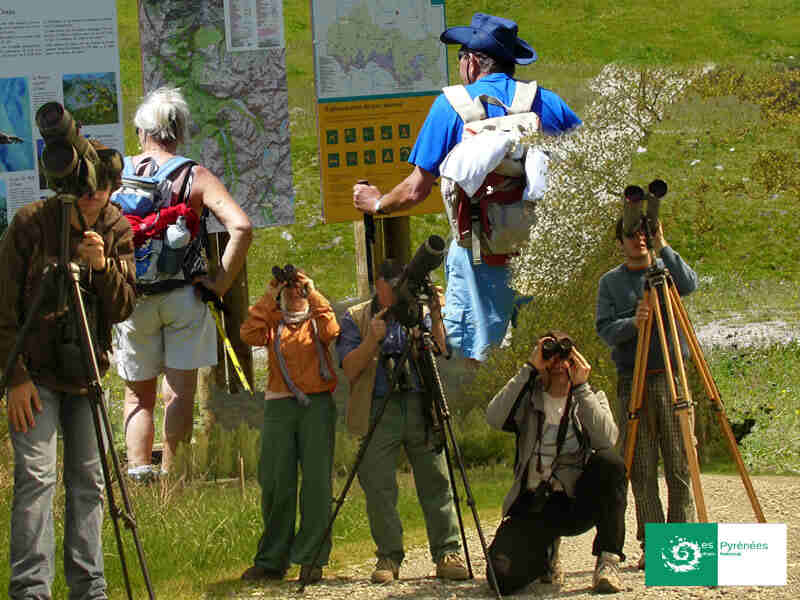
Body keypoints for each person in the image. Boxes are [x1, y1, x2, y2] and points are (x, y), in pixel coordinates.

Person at [352, 13, 581, 366]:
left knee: (472, 363)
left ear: (472, 62)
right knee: (548, 357)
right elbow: (587, 166)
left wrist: (378, 202)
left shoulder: (451, 106)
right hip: (541, 255)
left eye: (460, 56)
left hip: (478, 257)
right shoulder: (548, 103)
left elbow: (416, 190)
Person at [0, 146, 136, 599]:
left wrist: (101, 268)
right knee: (36, 480)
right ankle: (30, 591)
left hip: (87, 372)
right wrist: (14, 377)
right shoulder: (31, 224)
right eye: (84, 190)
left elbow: (122, 307)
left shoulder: (117, 227)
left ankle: (89, 588)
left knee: (90, 481)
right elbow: (2, 308)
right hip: (34, 373)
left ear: (112, 190)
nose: (91, 198)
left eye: (101, 192)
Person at [113, 87, 253, 478]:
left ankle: (139, 476)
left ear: (143, 131)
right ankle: (173, 485)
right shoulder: (194, 175)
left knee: (138, 396)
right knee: (178, 394)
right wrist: (220, 282)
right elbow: (240, 226)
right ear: (179, 131)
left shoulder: (119, 173)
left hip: (133, 298)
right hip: (183, 297)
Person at [335, 260, 469, 584]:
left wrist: (435, 314)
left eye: (401, 284)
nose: (396, 291)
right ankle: (388, 556)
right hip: (378, 406)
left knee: (436, 479)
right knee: (378, 485)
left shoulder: (419, 311)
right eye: (391, 285)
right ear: (378, 285)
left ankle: (447, 552)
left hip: (421, 401)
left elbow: (441, 348)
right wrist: (372, 340)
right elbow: (350, 369)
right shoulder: (356, 317)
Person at [485, 332, 627, 595]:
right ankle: (544, 554)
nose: (559, 363)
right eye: (551, 355)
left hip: (574, 502)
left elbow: (608, 439)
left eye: (567, 356)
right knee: (500, 578)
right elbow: (493, 417)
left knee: (611, 463)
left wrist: (582, 387)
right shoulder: (527, 400)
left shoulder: (590, 398)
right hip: (534, 505)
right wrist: (528, 369)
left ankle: (608, 559)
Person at [596, 219, 699, 569]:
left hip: (673, 378)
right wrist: (633, 323)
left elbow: (689, 284)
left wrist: (664, 245)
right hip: (633, 380)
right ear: (619, 243)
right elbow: (605, 330)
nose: (638, 239)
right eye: (630, 235)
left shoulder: (664, 270)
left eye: (643, 233)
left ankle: (681, 546)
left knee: (680, 462)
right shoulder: (610, 283)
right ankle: (654, 547)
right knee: (640, 468)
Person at [238, 269, 340, 584]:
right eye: (289, 290)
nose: (294, 294)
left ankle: (311, 559)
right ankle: (272, 560)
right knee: (275, 482)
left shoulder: (317, 320)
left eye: (298, 290)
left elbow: (332, 330)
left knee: (316, 485)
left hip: (317, 407)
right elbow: (247, 332)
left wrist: (313, 291)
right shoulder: (273, 324)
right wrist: (271, 292)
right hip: (279, 405)